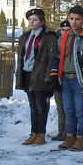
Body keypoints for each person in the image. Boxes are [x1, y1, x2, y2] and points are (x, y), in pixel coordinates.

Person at [50, 6, 83, 151]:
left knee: (80, 110)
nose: (74, 22)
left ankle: (81, 138)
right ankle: (70, 136)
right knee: (68, 110)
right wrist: (53, 76)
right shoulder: (63, 37)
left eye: (78, 19)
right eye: (71, 19)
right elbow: (56, 58)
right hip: (65, 79)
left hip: (79, 79)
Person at [15, 8, 57, 145]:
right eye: (30, 20)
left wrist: (48, 78)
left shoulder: (48, 37)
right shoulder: (25, 36)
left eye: (35, 20)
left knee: (41, 106)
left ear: (42, 22)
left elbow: (51, 58)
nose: (31, 22)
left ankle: (41, 134)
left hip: (40, 75)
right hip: (27, 74)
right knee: (33, 106)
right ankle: (33, 132)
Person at [50, 19, 69, 141]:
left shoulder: (73, 41)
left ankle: (67, 131)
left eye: (68, 30)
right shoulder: (56, 42)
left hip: (68, 77)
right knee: (60, 106)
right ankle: (60, 130)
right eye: (63, 30)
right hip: (58, 76)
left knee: (68, 107)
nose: (65, 32)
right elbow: (54, 59)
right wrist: (53, 75)